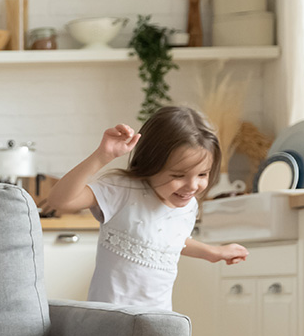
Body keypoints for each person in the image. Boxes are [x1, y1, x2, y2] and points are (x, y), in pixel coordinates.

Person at [48, 106, 250, 310]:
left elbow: (170, 240)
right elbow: (61, 201)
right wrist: (102, 156)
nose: (192, 186)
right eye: (178, 176)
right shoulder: (122, 190)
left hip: (158, 319)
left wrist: (211, 252)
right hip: (110, 319)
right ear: (151, 164)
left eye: (202, 175)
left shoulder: (188, 205)